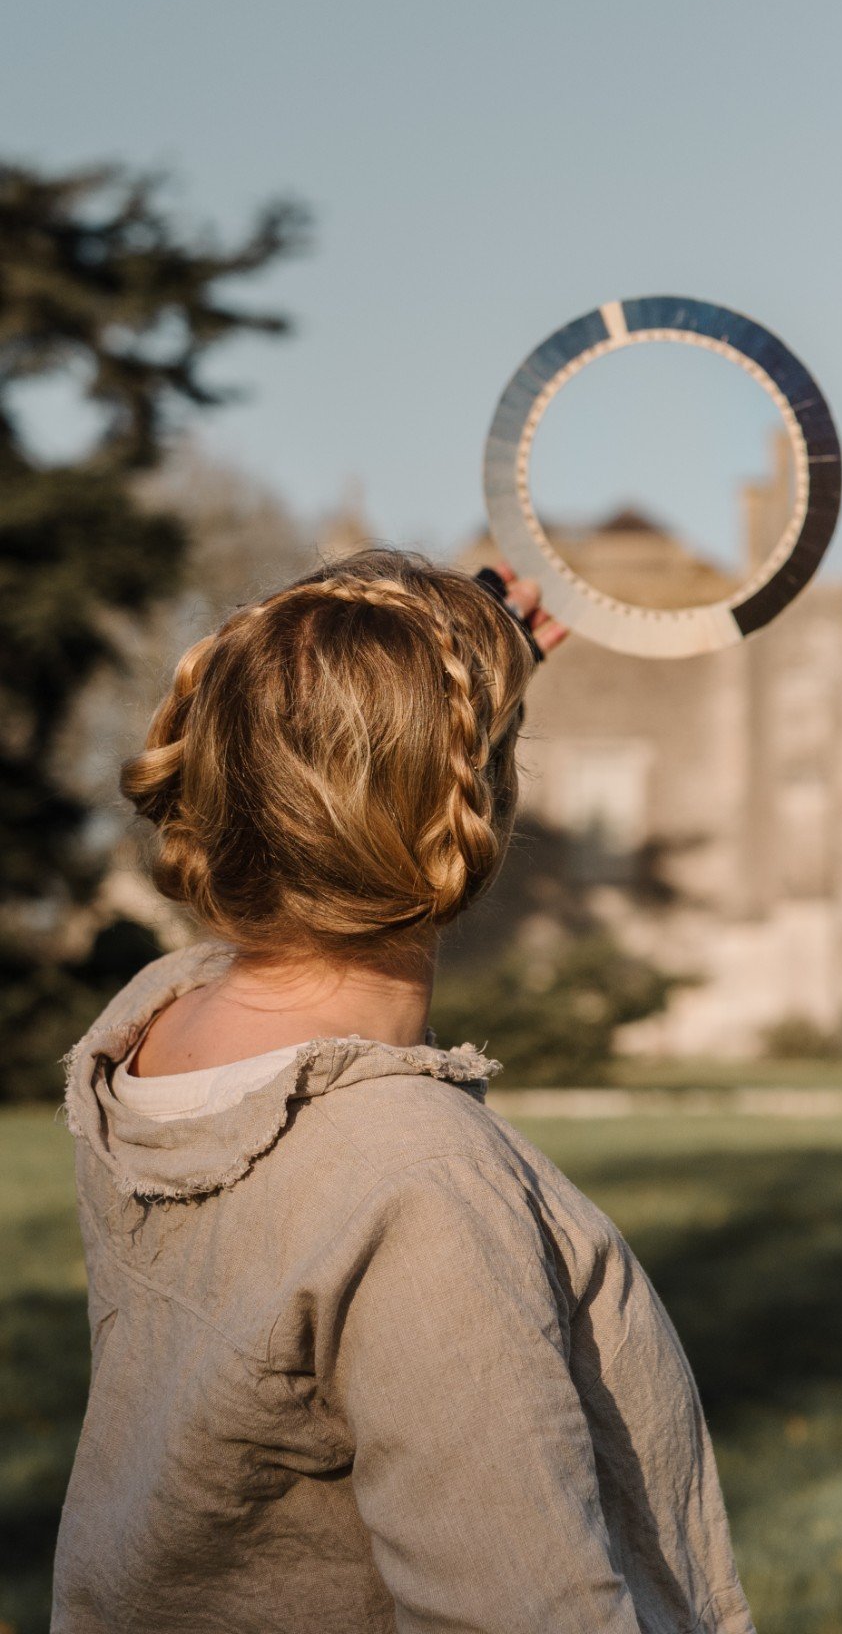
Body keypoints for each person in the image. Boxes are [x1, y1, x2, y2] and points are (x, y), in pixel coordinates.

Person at [54, 548, 755, 1634]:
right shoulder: (419, 1182)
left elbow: (314, 772)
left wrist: (424, 669)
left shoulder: (154, 1032)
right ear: (472, 804)